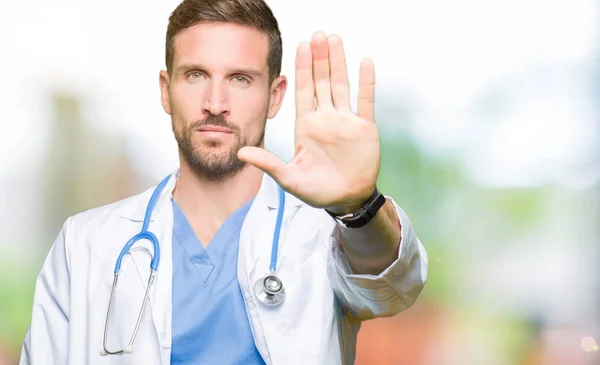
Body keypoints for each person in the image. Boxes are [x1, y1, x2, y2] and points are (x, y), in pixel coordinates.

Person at [19, 0, 428, 364]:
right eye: (195, 75)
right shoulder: (85, 245)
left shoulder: (326, 232)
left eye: (240, 79)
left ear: (275, 95)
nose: (215, 104)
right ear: (166, 90)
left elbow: (394, 286)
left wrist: (357, 205)